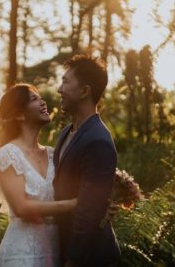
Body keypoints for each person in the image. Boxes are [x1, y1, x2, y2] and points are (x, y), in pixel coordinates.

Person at [0, 83, 77, 267]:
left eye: (40, 97)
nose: (43, 102)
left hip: (52, 252)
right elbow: (21, 207)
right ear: (19, 114)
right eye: (34, 99)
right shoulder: (8, 154)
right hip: (20, 255)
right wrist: (72, 205)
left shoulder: (53, 154)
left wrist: (101, 205)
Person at [53, 54, 121, 267]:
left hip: (89, 257)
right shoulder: (66, 132)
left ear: (84, 91)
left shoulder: (98, 140)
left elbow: (88, 211)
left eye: (65, 82)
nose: (59, 89)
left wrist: (72, 260)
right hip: (63, 247)